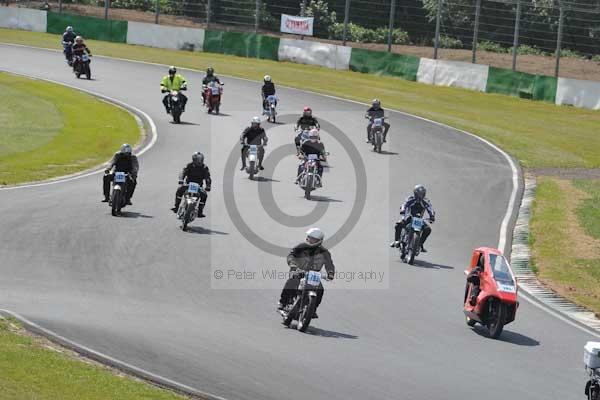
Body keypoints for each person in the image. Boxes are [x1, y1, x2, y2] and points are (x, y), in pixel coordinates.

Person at [278, 228, 335, 318]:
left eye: (312, 239)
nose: (309, 239)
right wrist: (293, 265)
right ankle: (283, 302)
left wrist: (330, 273)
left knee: (320, 289)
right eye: (309, 237)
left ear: (319, 241)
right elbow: (291, 255)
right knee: (292, 281)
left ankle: (312, 309)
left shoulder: (325, 252)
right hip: (299, 270)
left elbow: (329, 264)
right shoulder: (301, 247)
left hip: (313, 275)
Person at [390, 184, 436, 252]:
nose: (421, 195)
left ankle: (420, 244)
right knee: (398, 225)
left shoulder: (426, 201)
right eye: (419, 193)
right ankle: (396, 241)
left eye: (422, 193)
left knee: (427, 229)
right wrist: (402, 210)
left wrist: (432, 216)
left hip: (419, 220)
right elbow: (404, 204)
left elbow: (430, 208)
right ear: (415, 193)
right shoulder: (410, 199)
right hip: (409, 217)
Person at [171, 152, 211, 217]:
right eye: (198, 159)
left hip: (198, 187)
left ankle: (200, 211)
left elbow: (208, 178)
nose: (199, 161)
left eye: (200, 159)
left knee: (204, 195)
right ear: (194, 159)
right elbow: (183, 172)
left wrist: (208, 186)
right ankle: (176, 207)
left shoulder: (204, 167)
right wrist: (181, 180)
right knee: (179, 190)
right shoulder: (189, 165)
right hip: (188, 184)